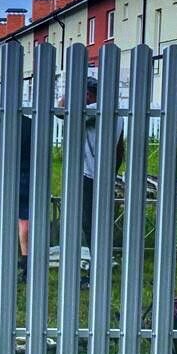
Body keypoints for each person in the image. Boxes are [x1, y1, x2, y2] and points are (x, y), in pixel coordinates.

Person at [61, 72, 125, 289]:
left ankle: (98, 273)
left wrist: (68, 92)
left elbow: (61, 111)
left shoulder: (92, 111)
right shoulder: (117, 113)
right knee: (102, 223)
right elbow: (120, 149)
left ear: (87, 94)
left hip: (90, 176)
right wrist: (112, 172)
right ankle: (103, 265)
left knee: (90, 224)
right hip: (107, 176)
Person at [0, 112, 33, 282]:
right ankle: (26, 262)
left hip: (8, 176)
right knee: (25, 220)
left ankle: (12, 261)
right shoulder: (30, 124)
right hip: (29, 175)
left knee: (10, 220)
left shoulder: (3, 126)